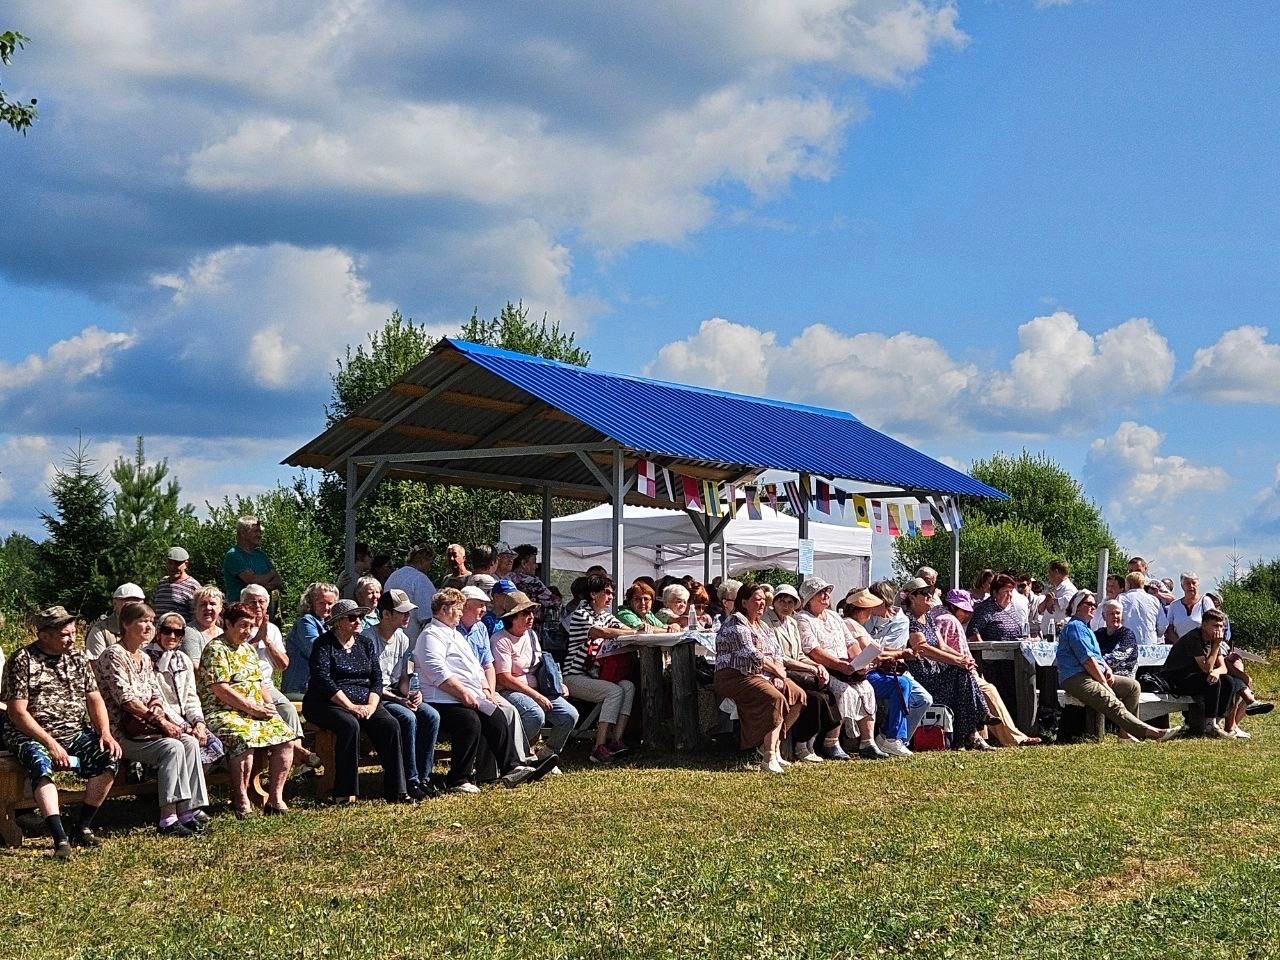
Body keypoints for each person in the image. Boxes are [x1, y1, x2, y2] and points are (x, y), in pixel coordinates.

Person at [2, 606, 122, 858]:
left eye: (73, 633)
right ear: (44, 635)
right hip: (30, 733)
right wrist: (50, 742)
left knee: (109, 756)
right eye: (65, 635)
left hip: (73, 731)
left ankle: (83, 826)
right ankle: (59, 838)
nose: (72, 639)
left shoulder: (77, 658)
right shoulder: (22, 660)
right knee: (40, 762)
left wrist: (105, 732)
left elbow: (95, 698)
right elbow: (17, 712)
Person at [414, 588, 549, 793]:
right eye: (458, 608)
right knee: (470, 721)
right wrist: (464, 694)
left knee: (497, 715)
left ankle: (512, 767)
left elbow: (476, 667)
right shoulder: (430, 635)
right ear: (444, 609)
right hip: (441, 699)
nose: (460, 613)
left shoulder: (455, 635)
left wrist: (486, 688)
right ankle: (458, 779)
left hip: (468, 695)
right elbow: (437, 671)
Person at [95, 602, 211, 836]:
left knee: (189, 742)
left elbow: (154, 694)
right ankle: (167, 818)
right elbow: (126, 700)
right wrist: (162, 722)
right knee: (172, 747)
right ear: (126, 625)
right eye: (143, 621)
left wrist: (158, 710)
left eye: (151, 621)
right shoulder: (113, 655)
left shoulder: (144, 658)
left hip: (147, 727)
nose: (149, 626)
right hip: (121, 731)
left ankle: (188, 810)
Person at [303, 598, 410, 804]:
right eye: (352, 617)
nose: (358, 621)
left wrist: (371, 705)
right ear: (338, 622)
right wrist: (350, 707)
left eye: (360, 616)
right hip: (327, 702)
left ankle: (397, 790)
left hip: (364, 700)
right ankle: (345, 792)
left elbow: (376, 679)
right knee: (349, 725)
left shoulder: (365, 643)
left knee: (390, 724)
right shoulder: (324, 645)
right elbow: (323, 681)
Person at [198, 602, 295, 817]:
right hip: (223, 712)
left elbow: (259, 683)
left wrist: (268, 705)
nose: (248, 631)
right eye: (243, 625)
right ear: (228, 624)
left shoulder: (248, 649)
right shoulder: (216, 650)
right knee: (244, 741)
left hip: (254, 711)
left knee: (286, 740)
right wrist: (253, 708)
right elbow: (221, 689)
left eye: (251, 626)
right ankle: (241, 799)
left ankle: (274, 798)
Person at [1055, 590, 1178, 743]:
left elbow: (1097, 657)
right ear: (1077, 606)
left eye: (1095, 605)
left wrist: (1106, 669)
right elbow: (1087, 660)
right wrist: (1104, 682)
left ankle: (1125, 734)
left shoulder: (1087, 628)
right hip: (1076, 677)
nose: (1093, 607)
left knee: (1132, 686)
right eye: (1089, 604)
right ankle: (1152, 732)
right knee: (1111, 701)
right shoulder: (1075, 627)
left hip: (1091, 674)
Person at [713, 582, 806, 774]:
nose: (762, 604)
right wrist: (776, 672)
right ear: (744, 602)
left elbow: (777, 653)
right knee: (775, 698)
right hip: (735, 676)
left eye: (764, 600)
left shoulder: (762, 625)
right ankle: (769, 757)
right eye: (757, 600)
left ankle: (770, 745)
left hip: (763, 673)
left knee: (798, 695)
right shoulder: (735, 623)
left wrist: (778, 671)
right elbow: (751, 655)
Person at [933, 588, 1039, 747]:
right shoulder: (948, 620)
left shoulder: (939, 617)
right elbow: (946, 649)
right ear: (953, 606)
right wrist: (965, 663)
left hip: (955, 670)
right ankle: (1013, 737)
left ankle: (994, 735)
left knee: (988, 688)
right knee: (989, 690)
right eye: (964, 610)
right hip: (954, 672)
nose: (968, 615)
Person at [794, 577, 886, 760]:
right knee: (844, 692)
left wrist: (860, 662)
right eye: (820, 592)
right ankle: (831, 742)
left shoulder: (835, 617)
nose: (825, 595)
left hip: (847, 666)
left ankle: (867, 743)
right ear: (809, 598)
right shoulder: (803, 619)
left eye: (827, 591)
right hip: (825, 668)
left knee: (867, 689)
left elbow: (850, 642)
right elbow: (812, 650)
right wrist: (838, 665)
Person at [364, 589, 441, 799]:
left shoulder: (403, 639)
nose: (408, 616)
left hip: (395, 692)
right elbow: (371, 683)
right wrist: (400, 699)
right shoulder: (367, 639)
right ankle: (410, 780)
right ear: (386, 614)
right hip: (374, 697)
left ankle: (423, 778)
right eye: (402, 612)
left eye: (409, 612)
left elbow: (403, 677)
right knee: (407, 718)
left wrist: (413, 694)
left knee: (431, 715)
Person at [904, 580, 995, 750]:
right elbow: (922, 648)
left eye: (930, 592)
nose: (929, 596)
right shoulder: (909, 619)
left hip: (934, 669)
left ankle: (971, 733)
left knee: (963, 674)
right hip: (921, 673)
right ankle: (979, 719)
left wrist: (963, 658)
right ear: (912, 597)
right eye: (924, 593)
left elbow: (942, 645)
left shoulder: (929, 618)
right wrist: (957, 661)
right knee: (961, 674)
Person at [242, 584, 323, 773]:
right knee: (275, 714)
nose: (257, 606)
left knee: (287, 709)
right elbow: (238, 657)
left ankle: (299, 761)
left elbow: (283, 664)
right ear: (242, 604)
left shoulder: (272, 630)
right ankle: (301, 755)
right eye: (251, 602)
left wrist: (266, 640)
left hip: (266, 684)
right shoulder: (237, 626)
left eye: (261, 602)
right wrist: (255, 640)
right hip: (243, 684)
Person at [491, 590, 579, 756]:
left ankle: (547, 754)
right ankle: (514, 756)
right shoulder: (500, 640)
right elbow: (504, 677)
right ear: (512, 617)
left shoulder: (532, 635)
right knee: (534, 714)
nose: (531, 616)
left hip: (538, 688)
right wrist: (537, 696)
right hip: (509, 691)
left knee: (569, 715)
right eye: (525, 613)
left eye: (532, 612)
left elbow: (542, 664)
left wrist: (558, 683)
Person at [564, 574, 639, 763]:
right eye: (606, 593)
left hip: (596, 675)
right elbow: (602, 632)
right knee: (614, 692)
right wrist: (636, 631)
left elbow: (625, 630)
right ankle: (598, 747)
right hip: (574, 676)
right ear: (593, 594)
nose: (611, 597)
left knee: (628, 687)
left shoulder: (606, 616)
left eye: (612, 593)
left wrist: (668, 628)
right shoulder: (580, 615)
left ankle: (616, 740)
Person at [842, 588, 923, 757]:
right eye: (868, 610)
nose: (871, 614)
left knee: (903, 683)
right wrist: (901, 653)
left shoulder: (856, 626)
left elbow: (876, 648)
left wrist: (899, 653)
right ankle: (890, 737)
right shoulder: (852, 625)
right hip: (860, 674)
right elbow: (872, 652)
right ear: (860, 609)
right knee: (900, 684)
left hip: (865, 672)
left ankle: (891, 736)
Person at [762, 583, 836, 763]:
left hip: (796, 668)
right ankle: (800, 744)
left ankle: (811, 742)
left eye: (790, 602)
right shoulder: (766, 621)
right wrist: (811, 668)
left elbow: (800, 654)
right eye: (782, 601)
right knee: (813, 694)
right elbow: (781, 657)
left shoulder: (792, 623)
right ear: (775, 602)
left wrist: (817, 666)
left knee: (822, 696)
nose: (786, 606)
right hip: (779, 670)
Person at [146, 611, 224, 767]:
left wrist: (199, 723)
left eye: (178, 632)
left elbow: (190, 696)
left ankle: (191, 787)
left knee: (213, 745)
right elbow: (156, 698)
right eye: (167, 631)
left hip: (186, 719)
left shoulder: (183, 659)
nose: (172, 636)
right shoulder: (147, 658)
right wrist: (185, 727)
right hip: (160, 719)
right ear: (159, 631)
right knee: (190, 744)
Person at [865, 580, 934, 742]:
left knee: (924, 699)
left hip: (890, 668)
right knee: (901, 686)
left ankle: (898, 740)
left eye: (873, 600)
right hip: (868, 668)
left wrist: (870, 645)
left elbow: (882, 649)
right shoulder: (867, 616)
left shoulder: (901, 621)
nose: (869, 604)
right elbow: (868, 647)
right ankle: (891, 738)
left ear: (884, 600)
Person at [1160, 607, 1243, 738]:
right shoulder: (1194, 638)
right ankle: (1210, 725)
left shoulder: (1212, 640)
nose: (1219, 630)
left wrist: (1216, 671)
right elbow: (1206, 668)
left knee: (1229, 681)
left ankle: (1216, 721)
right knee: (1213, 681)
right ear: (1204, 625)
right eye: (1215, 626)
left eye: (1221, 627)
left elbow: (1223, 668)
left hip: (1197, 676)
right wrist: (1216, 646)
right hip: (1176, 679)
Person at [281, 581, 339, 695]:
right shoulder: (306, 621)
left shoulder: (329, 624)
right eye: (321, 603)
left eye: (330, 603)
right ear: (311, 603)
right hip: (300, 688)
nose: (326, 607)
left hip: (319, 687)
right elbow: (316, 650)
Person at [222, 515, 283, 601]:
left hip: (263, 611)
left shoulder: (261, 555)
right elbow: (253, 581)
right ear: (243, 533)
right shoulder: (234, 555)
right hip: (241, 611)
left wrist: (262, 585)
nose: (259, 535)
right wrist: (271, 574)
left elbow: (278, 581)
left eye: (260, 531)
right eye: (255, 531)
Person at [384, 545, 437, 638]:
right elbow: (428, 616)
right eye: (430, 563)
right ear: (423, 561)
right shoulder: (420, 579)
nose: (430, 567)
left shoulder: (393, 576)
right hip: (412, 636)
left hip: (390, 633)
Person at [85, 582, 146, 659]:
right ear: (114, 603)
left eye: (136, 601)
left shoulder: (151, 630)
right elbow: (96, 664)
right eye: (127, 601)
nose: (132, 606)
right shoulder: (100, 631)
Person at [509, 544, 559, 633]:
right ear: (524, 563)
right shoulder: (533, 582)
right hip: (530, 628)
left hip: (509, 626)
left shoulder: (506, 578)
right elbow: (554, 601)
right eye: (534, 562)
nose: (536, 566)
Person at [1162, 572, 1215, 642]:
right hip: (1180, 647)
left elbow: (1213, 624)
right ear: (1182, 586)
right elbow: (1169, 629)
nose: (1191, 586)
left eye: (1194, 583)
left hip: (1202, 647)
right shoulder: (1174, 605)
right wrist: (1180, 644)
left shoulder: (1206, 602)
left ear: (1198, 584)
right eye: (1187, 583)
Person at [151, 546, 202, 620]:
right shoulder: (162, 583)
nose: (173, 567)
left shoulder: (193, 586)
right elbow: (153, 608)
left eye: (177, 564)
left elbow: (197, 616)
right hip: (158, 630)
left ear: (186, 564)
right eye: (170, 563)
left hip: (181, 631)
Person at [1094, 599, 1138, 677]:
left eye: (1118, 613)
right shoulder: (1099, 634)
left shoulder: (1127, 635)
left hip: (1122, 675)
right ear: (1104, 616)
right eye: (1111, 613)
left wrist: (1092, 663)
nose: (1115, 616)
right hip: (1100, 672)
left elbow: (1115, 659)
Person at [1119, 572, 1164, 647]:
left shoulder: (1122, 598)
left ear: (1129, 584)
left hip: (1127, 642)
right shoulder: (1154, 600)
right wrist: (1156, 633)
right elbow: (1163, 624)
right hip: (1149, 642)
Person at [182, 585, 224, 664]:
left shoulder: (221, 632)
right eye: (203, 604)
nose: (208, 607)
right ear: (195, 608)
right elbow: (195, 665)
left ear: (220, 608)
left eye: (212, 604)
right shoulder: (188, 632)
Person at [1037, 560, 1077, 635]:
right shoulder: (1058, 589)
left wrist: (1054, 601)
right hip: (1049, 634)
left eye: (1049, 572)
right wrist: (1047, 600)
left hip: (1059, 635)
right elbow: (1040, 610)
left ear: (1056, 572)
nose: (1048, 575)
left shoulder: (1069, 588)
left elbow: (1070, 603)